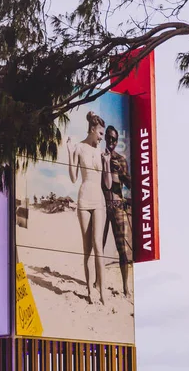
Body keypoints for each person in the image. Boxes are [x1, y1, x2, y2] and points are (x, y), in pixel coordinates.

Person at [67, 111, 111, 304]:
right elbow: (73, 178)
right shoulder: (79, 148)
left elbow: (108, 184)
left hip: (99, 199)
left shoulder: (100, 152)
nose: (102, 138)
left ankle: (102, 292)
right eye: (100, 134)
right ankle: (90, 290)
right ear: (93, 129)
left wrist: (107, 163)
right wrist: (69, 153)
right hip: (84, 199)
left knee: (98, 246)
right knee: (88, 249)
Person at [101, 125, 132, 297]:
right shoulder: (100, 157)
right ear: (105, 137)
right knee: (100, 246)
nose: (111, 141)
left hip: (118, 206)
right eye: (109, 138)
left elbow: (130, 184)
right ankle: (98, 282)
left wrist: (120, 171)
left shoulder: (121, 159)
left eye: (114, 139)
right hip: (103, 206)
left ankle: (126, 287)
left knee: (122, 250)